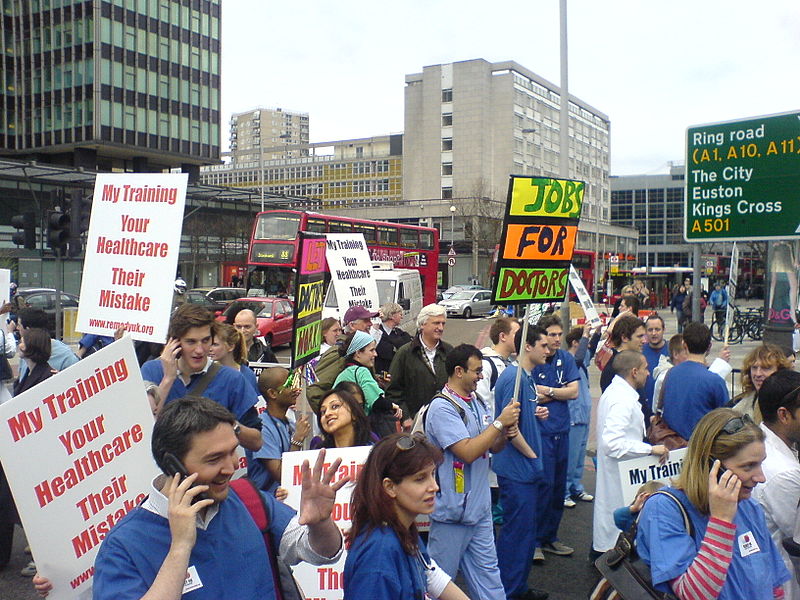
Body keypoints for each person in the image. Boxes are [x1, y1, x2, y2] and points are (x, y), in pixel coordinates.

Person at [33, 396, 348, 599]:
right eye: (214, 460)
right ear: (172, 464)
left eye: (232, 452)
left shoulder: (247, 499)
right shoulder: (124, 546)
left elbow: (323, 553)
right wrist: (181, 546)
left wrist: (320, 523)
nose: (231, 467)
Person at [636, 408, 790, 599]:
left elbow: (774, 586)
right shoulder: (664, 509)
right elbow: (692, 595)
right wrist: (721, 521)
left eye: (761, 464)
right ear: (710, 465)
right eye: (748, 466)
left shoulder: (748, 507)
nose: (761, 477)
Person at [425, 343, 519, 600]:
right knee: (438, 586)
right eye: (476, 371)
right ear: (458, 371)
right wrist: (500, 422)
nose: (480, 376)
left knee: (490, 580)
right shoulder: (442, 408)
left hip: (479, 510)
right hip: (451, 515)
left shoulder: (476, 401)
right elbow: (466, 452)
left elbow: (491, 446)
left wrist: (505, 433)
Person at [343, 432, 469, 600]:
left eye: (432, 474)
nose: (434, 487)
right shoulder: (379, 553)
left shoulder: (401, 529)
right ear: (389, 487)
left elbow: (430, 575)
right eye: (420, 479)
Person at [140, 303, 262, 451]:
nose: (199, 350)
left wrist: (229, 424)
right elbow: (143, 431)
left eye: (205, 341)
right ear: (174, 342)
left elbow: (256, 442)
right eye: (191, 342)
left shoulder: (232, 379)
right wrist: (168, 379)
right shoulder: (152, 371)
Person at [494, 325, 551, 600]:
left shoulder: (526, 378)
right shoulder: (512, 378)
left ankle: (519, 586)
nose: (548, 350)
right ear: (527, 346)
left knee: (526, 533)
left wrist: (534, 411)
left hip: (525, 471)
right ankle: (508, 590)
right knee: (516, 534)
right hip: (517, 471)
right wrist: (533, 457)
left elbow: (520, 416)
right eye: (543, 345)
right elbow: (508, 427)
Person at [592, 351, 669, 553]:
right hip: (619, 477)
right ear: (634, 372)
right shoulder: (622, 400)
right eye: (645, 369)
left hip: (620, 476)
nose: (648, 373)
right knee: (615, 536)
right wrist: (650, 449)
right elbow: (612, 444)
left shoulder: (617, 393)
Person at [532, 314, 579, 561]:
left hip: (563, 432)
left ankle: (551, 537)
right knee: (545, 486)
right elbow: (532, 396)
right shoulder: (535, 360)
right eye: (552, 334)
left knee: (559, 488)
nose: (557, 339)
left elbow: (574, 392)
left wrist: (550, 392)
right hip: (543, 434)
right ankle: (536, 541)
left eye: (560, 334)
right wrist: (558, 394)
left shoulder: (566, 359)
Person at [754, 370, 800, 600]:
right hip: (779, 583)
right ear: (784, 415)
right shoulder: (783, 473)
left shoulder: (765, 440)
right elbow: (798, 534)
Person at [476, 316, 521, 516]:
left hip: (505, 442)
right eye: (516, 334)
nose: (521, 337)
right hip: (493, 442)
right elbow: (483, 403)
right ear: (503, 336)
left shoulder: (509, 363)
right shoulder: (487, 365)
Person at [661, 322, 730, 441]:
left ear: (684, 345)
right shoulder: (715, 381)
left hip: (672, 446)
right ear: (709, 346)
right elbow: (726, 421)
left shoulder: (669, 374)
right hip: (702, 447)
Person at [386, 303, 453, 425]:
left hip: (446, 420)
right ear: (422, 324)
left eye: (443, 323)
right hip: (416, 422)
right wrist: (405, 417)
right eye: (436, 323)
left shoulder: (449, 352)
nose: (441, 327)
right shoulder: (405, 353)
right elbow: (393, 391)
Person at [248, 367, 311, 494]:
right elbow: (281, 475)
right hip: (266, 503)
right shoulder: (262, 427)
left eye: (295, 384)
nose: (296, 389)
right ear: (272, 393)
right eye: (289, 385)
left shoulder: (292, 424)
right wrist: (297, 440)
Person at [333, 330, 402, 437]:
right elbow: (376, 402)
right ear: (358, 353)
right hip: (360, 429)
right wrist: (393, 406)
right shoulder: (361, 371)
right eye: (372, 350)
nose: (376, 354)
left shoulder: (344, 373)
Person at [564, 324, 596, 508]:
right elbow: (578, 356)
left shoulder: (582, 360)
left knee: (579, 457)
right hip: (574, 416)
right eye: (583, 342)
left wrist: (596, 332)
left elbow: (590, 348)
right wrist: (585, 335)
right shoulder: (570, 360)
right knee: (571, 456)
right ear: (575, 343)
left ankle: (576, 487)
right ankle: (565, 491)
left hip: (584, 414)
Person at [732, 344, 792, 423]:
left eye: (766, 368)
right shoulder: (737, 404)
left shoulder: (791, 403)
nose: (758, 374)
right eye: (754, 368)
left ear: (780, 371)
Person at [15, 308, 78, 379]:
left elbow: (76, 381)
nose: (17, 328)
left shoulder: (66, 356)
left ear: (28, 330)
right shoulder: (25, 352)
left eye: (19, 325)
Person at [311, 388, 377, 449]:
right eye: (323, 411)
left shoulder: (372, 450)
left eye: (335, 406)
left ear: (354, 413)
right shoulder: (319, 453)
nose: (327, 414)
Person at [209, 322, 259, 396]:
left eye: (215, 345)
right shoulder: (207, 370)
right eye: (209, 343)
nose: (210, 348)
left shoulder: (246, 374)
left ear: (231, 347)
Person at [373, 302, 412, 375]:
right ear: (392, 316)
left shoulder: (399, 332)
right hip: (382, 374)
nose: (402, 317)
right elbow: (387, 353)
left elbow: (408, 347)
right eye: (400, 314)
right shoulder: (377, 334)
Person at [641, 314, 669, 414]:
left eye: (657, 329)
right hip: (644, 409)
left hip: (667, 409)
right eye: (650, 330)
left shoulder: (673, 352)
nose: (654, 333)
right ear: (645, 331)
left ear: (664, 330)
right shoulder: (639, 352)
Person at [12, 328, 52, 396]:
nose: (19, 345)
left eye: (22, 342)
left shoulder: (47, 376)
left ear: (31, 346)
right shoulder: (28, 372)